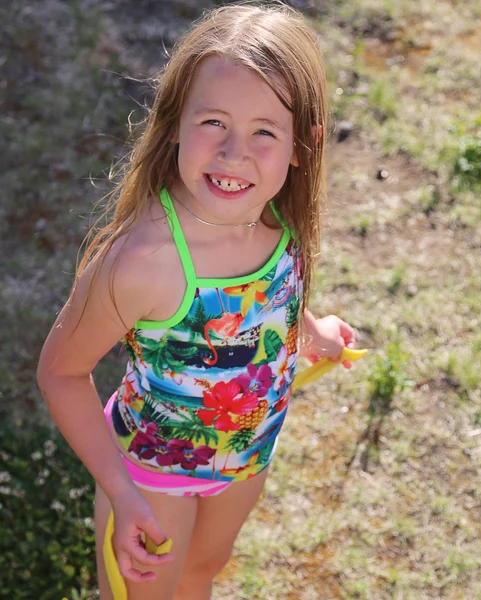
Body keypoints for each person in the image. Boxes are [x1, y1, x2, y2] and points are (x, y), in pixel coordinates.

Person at [37, 3, 357, 599]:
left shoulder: (278, 221)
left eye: (264, 131)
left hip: (246, 459)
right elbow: (61, 372)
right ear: (176, 122)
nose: (235, 153)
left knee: (200, 577)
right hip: (151, 477)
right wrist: (121, 492)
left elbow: (274, 298)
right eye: (214, 122)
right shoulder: (146, 261)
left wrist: (311, 331)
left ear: (301, 145)